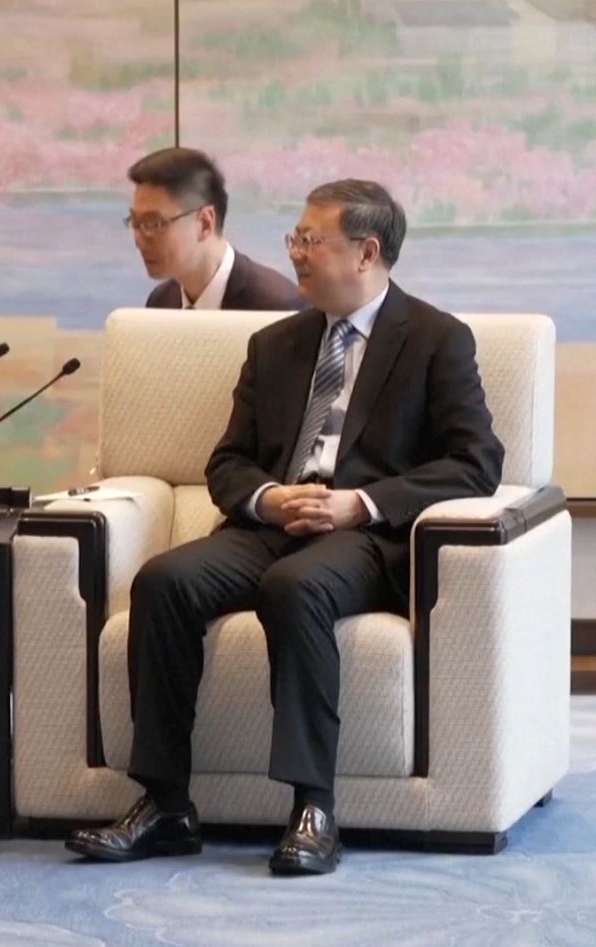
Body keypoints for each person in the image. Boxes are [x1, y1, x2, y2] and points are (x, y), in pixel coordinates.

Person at [69, 180, 503, 875]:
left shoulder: (434, 340)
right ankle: (164, 803)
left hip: (364, 537)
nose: (295, 253)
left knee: (294, 587)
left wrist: (359, 503)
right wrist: (269, 498)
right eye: (294, 239)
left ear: (366, 252)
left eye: (310, 239)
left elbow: (475, 463)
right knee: (163, 581)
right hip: (270, 525)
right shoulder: (274, 343)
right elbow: (227, 462)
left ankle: (313, 808)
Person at [126, 147, 302, 311]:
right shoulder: (161, 302)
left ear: (205, 223)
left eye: (153, 224)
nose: (138, 241)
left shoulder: (277, 307)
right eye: (134, 222)